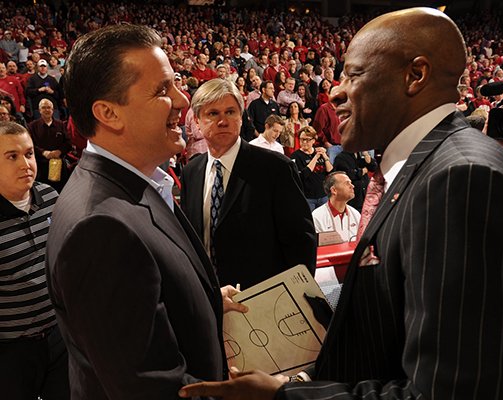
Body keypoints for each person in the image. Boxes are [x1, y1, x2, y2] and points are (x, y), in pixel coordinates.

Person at [179, 8, 503, 400]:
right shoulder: (429, 167)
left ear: (416, 75)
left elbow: (451, 390)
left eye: (354, 75)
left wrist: (286, 396)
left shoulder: (463, 179)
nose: (336, 91)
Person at [45, 24, 246, 400]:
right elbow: (150, 388)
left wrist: (199, 301)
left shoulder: (135, 185)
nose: (184, 100)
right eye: (162, 91)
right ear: (108, 113)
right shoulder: (100, 228)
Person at [180, 79, 316, 290]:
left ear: (241, 118)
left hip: (265, 305)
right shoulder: (191, 172)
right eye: (213, 113)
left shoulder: (276, 168)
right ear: (197, 121)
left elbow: (301, 242)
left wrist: (295, 297)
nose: (223, 121)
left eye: (230, 112)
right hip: (210, 300)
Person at [0, 121, 69, 400]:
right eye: (12, 157)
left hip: (58, 336)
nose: (26, 164)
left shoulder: (51, 196)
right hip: (12, 350)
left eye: (29, 154)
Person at [28, 98, 71, 191]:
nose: (47, 110)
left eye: (49, 107)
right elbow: (30, 146)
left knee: (61, 190)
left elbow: (68, 142)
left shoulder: (61, 124)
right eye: (44, 108)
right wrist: (44, 153)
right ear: (39, 110)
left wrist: (59, 151)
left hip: (59, 164)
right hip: (41, 165)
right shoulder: (32, 126)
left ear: (53, 110)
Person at [291, 126, 333, 211]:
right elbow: (303, 175)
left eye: (307, 139)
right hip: (308, 197)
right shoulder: (295, 155)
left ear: (313, 140)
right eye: (302, 139)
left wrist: (325, 156)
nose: (304, 142)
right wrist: (316, 157)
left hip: (323, 195)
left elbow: (330, 171)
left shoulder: (320, 152)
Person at [312, 171, 360, 243]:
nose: (352, 186)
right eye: (347, 183)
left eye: (351, 183)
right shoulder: (317, 216)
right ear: (334, 190)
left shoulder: (356, 214)